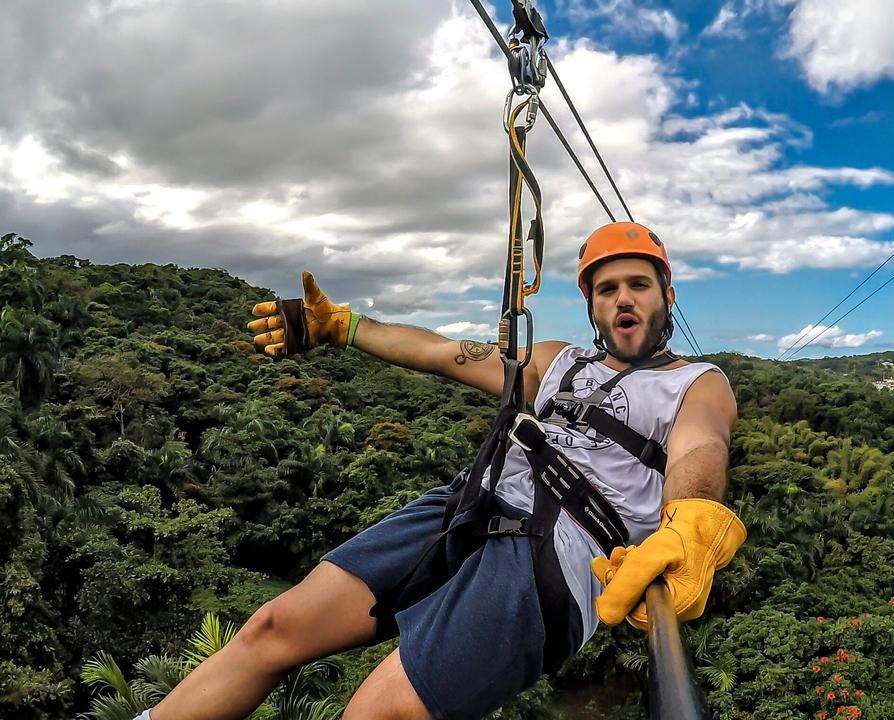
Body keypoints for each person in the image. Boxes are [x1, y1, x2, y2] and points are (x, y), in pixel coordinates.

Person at [138, 221, 745, 720]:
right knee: (274, 627)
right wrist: (345, 328)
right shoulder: (556, 362)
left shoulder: (697, 383)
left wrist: (688, 523)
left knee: (375, 714)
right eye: (606, 288)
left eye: (638, 284)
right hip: (469, 504)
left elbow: (700, 450)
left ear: (665, 295)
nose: (623, 298)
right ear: (591, 304)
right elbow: (442, 354)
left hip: (559, 553)